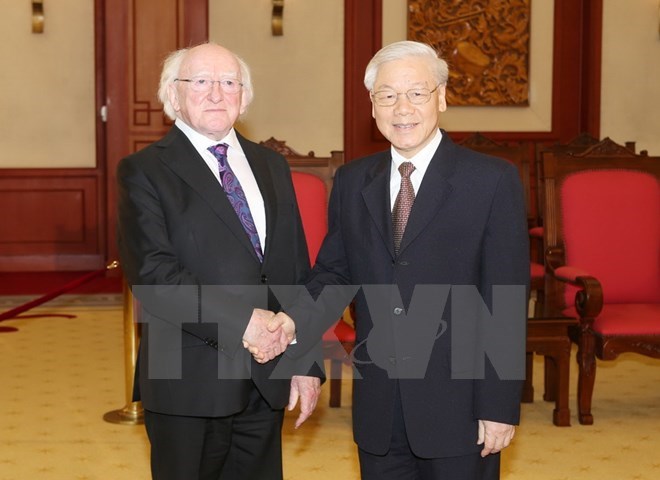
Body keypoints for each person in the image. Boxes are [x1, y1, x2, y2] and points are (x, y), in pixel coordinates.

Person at [262, 40, 530, 480]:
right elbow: (334, 272)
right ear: (372, 106)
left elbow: (506, 299)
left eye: (416, 93)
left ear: (441, 98)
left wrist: (499, 406)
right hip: (380, 407)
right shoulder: (352, 181)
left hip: (459, 407)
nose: (401, 108)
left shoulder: (491, 180)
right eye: (387, 95)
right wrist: (293, 322)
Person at [116, 42, 321, 480]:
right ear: (173, 95)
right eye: (201, 82)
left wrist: (304, 361)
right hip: (189, 383)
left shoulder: (272, 166)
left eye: (229, 82)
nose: (216, 93)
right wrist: (244, 323)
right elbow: (155, 276)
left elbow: (294, 272)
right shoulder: (143, 170)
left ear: (244, 97)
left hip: (266, 378)